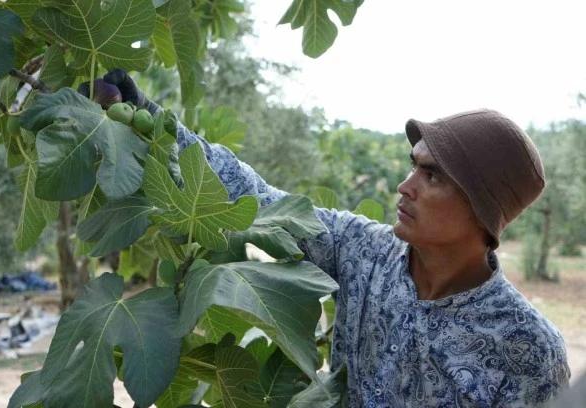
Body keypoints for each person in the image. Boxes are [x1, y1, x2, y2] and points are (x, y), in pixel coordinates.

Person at [102, 69, 571, 407]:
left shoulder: (528, 350)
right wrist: (149, 119)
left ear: (481, 205)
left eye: (431, 176)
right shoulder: (361, 249)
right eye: (413, 165)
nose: (404, 186)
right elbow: (259, 200)